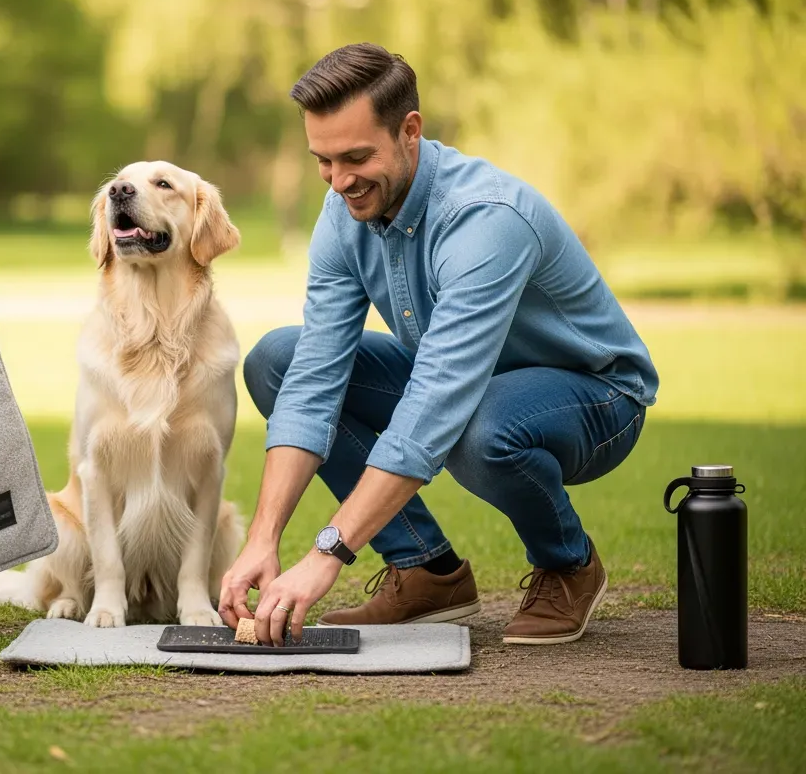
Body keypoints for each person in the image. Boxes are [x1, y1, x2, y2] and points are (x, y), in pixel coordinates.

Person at [218, 43, 658, 647]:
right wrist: (262, 540)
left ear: (410, 131)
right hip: (462, 387)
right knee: (279, 359)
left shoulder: (485, 219)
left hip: (595, 396)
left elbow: (436, 405)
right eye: (322, 160)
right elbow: (315, 379)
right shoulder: (343, 210)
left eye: (356, 157)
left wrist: (328, 553)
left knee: (482, 426)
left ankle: (568, 566)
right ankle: (426, 571)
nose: (340, 180)